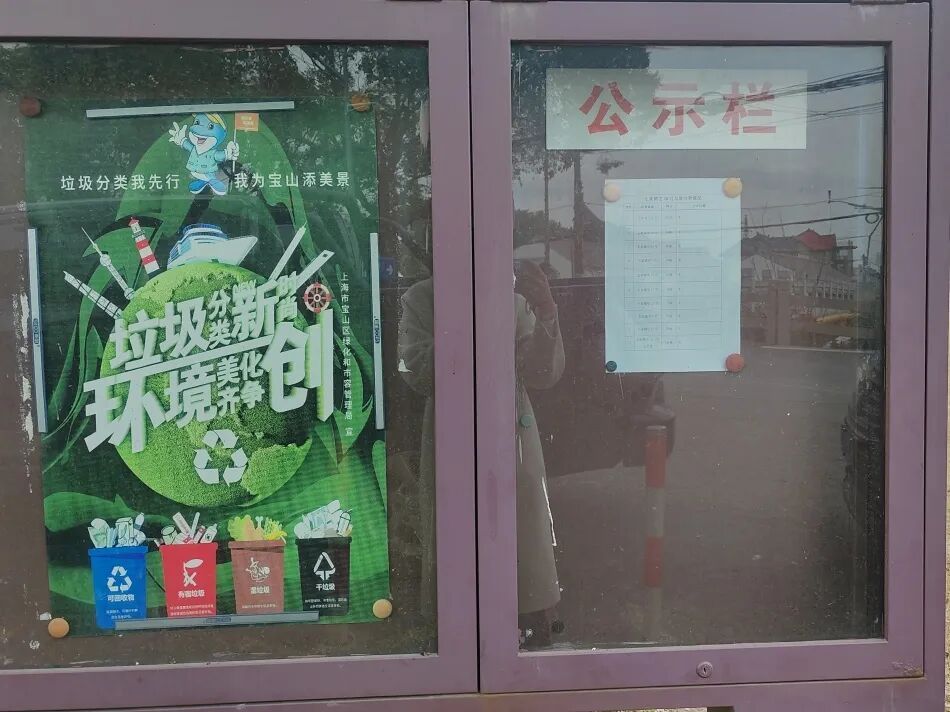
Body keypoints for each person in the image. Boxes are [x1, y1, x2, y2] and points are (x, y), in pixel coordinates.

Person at [397, 260, 564, 648]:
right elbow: (415, 370)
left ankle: (529, 628)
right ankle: (454, 640)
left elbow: (543, 373)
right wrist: (469, 325)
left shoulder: (513, 301)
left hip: (511, 431)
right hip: (451, 432)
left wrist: (546, 311)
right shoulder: (421, 298)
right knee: (454, 535)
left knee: (522, 535)